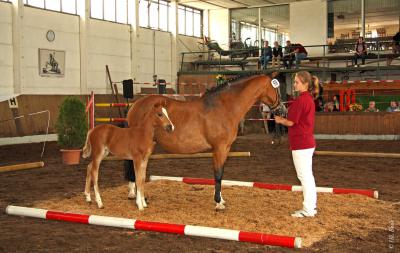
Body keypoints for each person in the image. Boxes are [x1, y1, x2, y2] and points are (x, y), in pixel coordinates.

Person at [275, 71, 318, 218]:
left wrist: (280, 120)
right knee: (307, 176)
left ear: (305, 84)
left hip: (301, 143)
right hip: (306, 142)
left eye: (296, 82)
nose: (294, 84)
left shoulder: (301, 100)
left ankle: (308, 209)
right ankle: (311, 206)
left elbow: (291, 122)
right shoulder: (307, 99)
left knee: (304, 176)